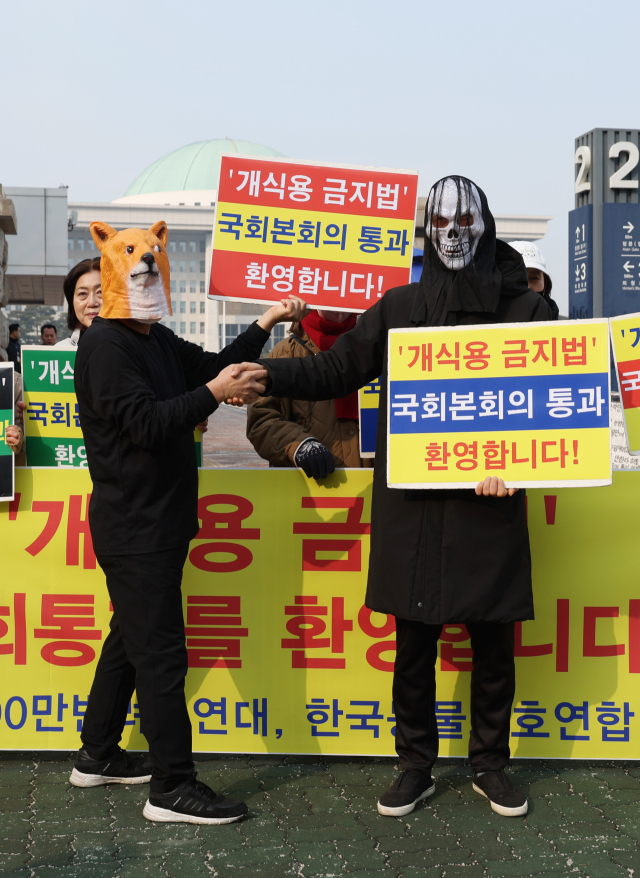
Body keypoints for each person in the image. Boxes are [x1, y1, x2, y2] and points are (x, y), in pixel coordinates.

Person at [235, 176, 552, 819]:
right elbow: (335, 370)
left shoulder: (528, 312)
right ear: (426, 231)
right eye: (440, 221)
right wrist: (266, 370)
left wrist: (516, 459)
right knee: (414, 644)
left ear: (485, 224)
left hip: (490, 501)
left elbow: (558, 401)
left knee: (493, 645)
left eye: (465, 219)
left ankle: (491, 764)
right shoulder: (398, 307)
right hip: (413, 501)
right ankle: (415, 765)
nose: (453, 232)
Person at [72, 218, 303, 827]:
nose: (146, 266)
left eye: (153, 257)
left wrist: (265, 322)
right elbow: (148, 423)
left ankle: (96, 754)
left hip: (160, 522)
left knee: (131, 639)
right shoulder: (105, 346)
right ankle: (172, 786)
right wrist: (213, 393)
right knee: (161, 657)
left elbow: (216, 366)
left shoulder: (155, 338)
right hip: (135, 527)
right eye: (133, 261)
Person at [246, 308, 373, 478]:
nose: (339, 310)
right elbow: (261, 420)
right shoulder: (285, 353)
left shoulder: (376, 347)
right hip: (311, 490)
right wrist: (300, 445)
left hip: (376, 488)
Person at [55, 257, 103, 348]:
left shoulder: (132, 349)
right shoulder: (61, 351)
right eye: (83, 293)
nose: (92, 303)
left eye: (100, 292)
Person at [509, 241, 558, 319]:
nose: (527, 286)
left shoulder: (562, 329)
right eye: (518, 278)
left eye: (534, 278)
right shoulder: (486, 326)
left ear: (545, 284)